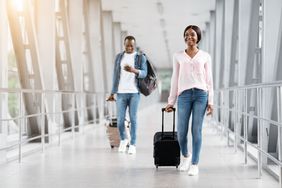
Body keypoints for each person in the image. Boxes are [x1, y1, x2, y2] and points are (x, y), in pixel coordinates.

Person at [165, 25, 214, 176]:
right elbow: (175, 79)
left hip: (201, 94)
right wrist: (171, 101)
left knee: (196, 130)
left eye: (193, 35)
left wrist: (211, 101)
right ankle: (186, 156)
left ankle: (195, 164)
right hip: (184, 95)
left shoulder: (205, 56)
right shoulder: (178, 56)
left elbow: (209, 80)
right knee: (181, 131)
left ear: (198, 37)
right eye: (186, 35)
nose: (189, 37)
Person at [106, 36, 147, 154]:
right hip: (121, 93)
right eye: (127, 45)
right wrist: (112, 93)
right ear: (124, 45)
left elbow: (144, 73)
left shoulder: (140, 58)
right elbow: (115, 75)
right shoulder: (119, 57)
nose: (129, 47)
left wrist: (133, 70)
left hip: (134, 93)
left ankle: (133, 144)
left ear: (134, 45)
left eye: (131, 45)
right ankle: (123, 140)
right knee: (120, 120)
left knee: (133, 119)